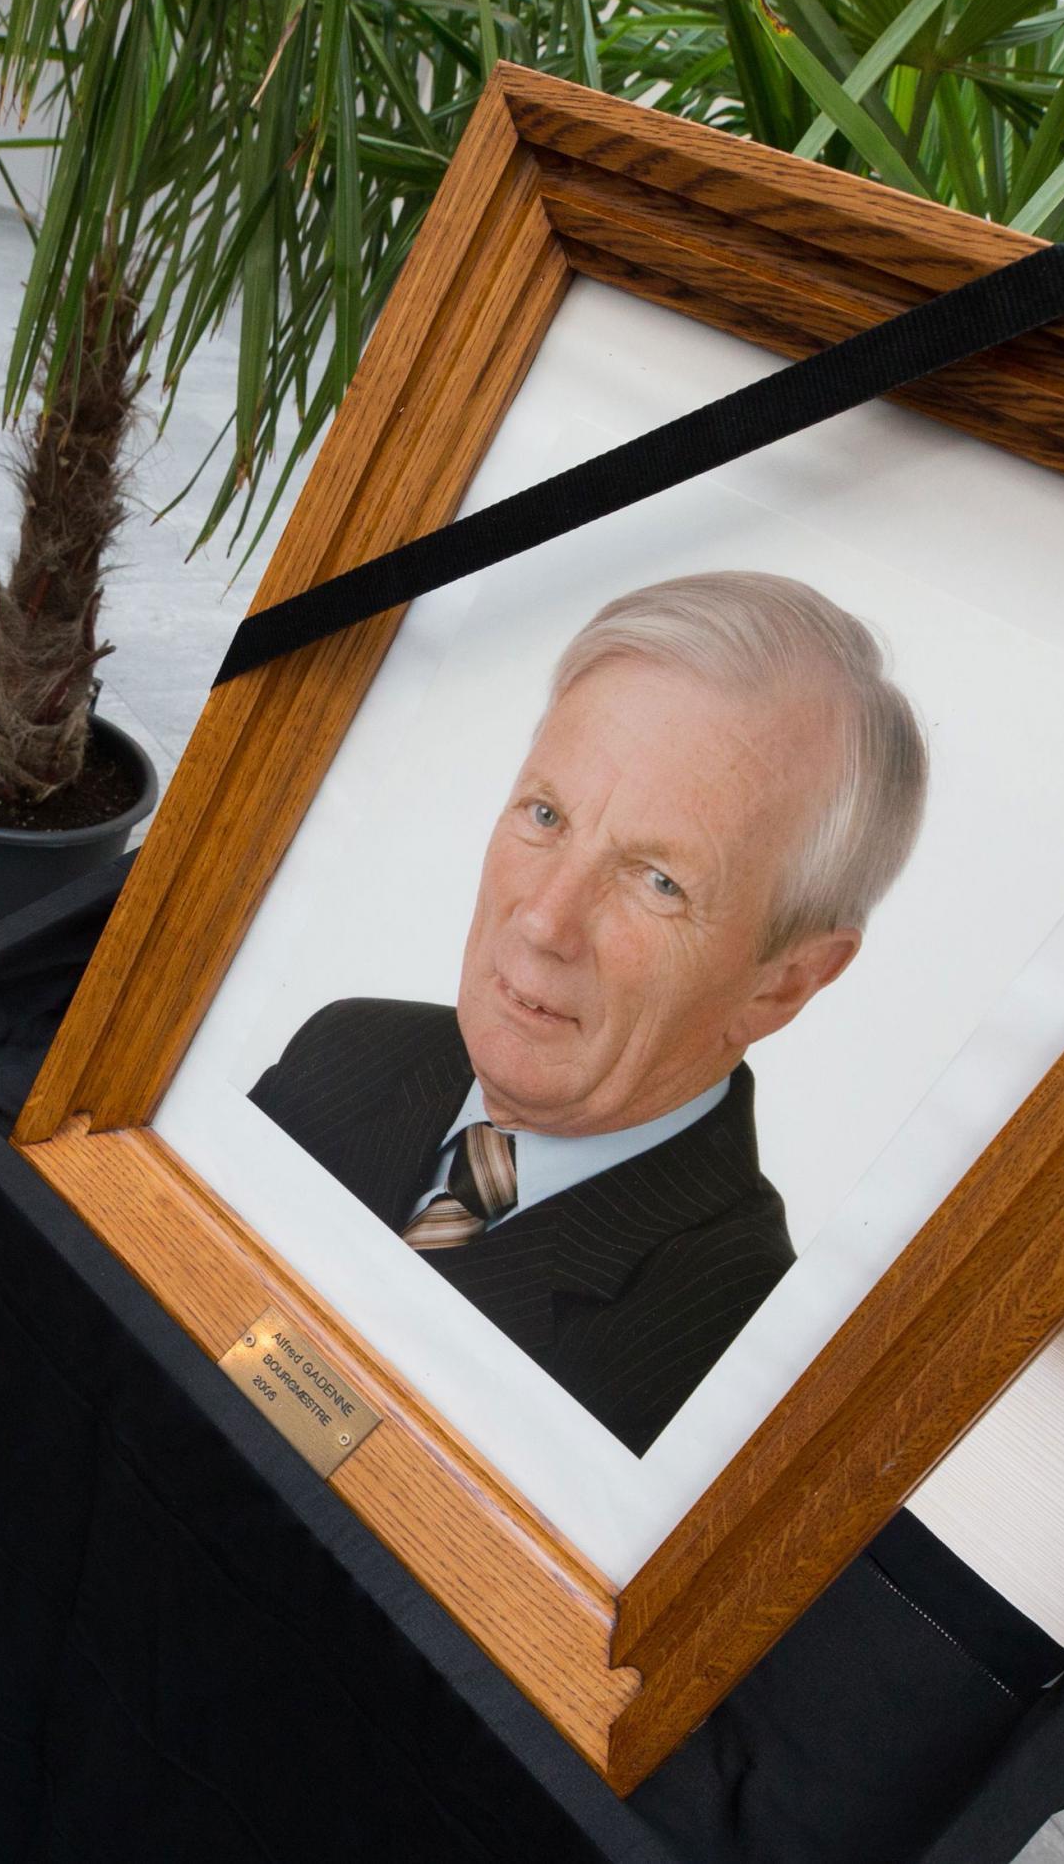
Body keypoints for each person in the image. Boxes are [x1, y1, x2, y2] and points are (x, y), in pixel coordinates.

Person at [251, 572, 927, 1455]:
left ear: (785, 982)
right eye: (546, 814)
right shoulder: (346, 1049)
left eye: (659, 881)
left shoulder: (732, 1370)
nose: (542, 921)